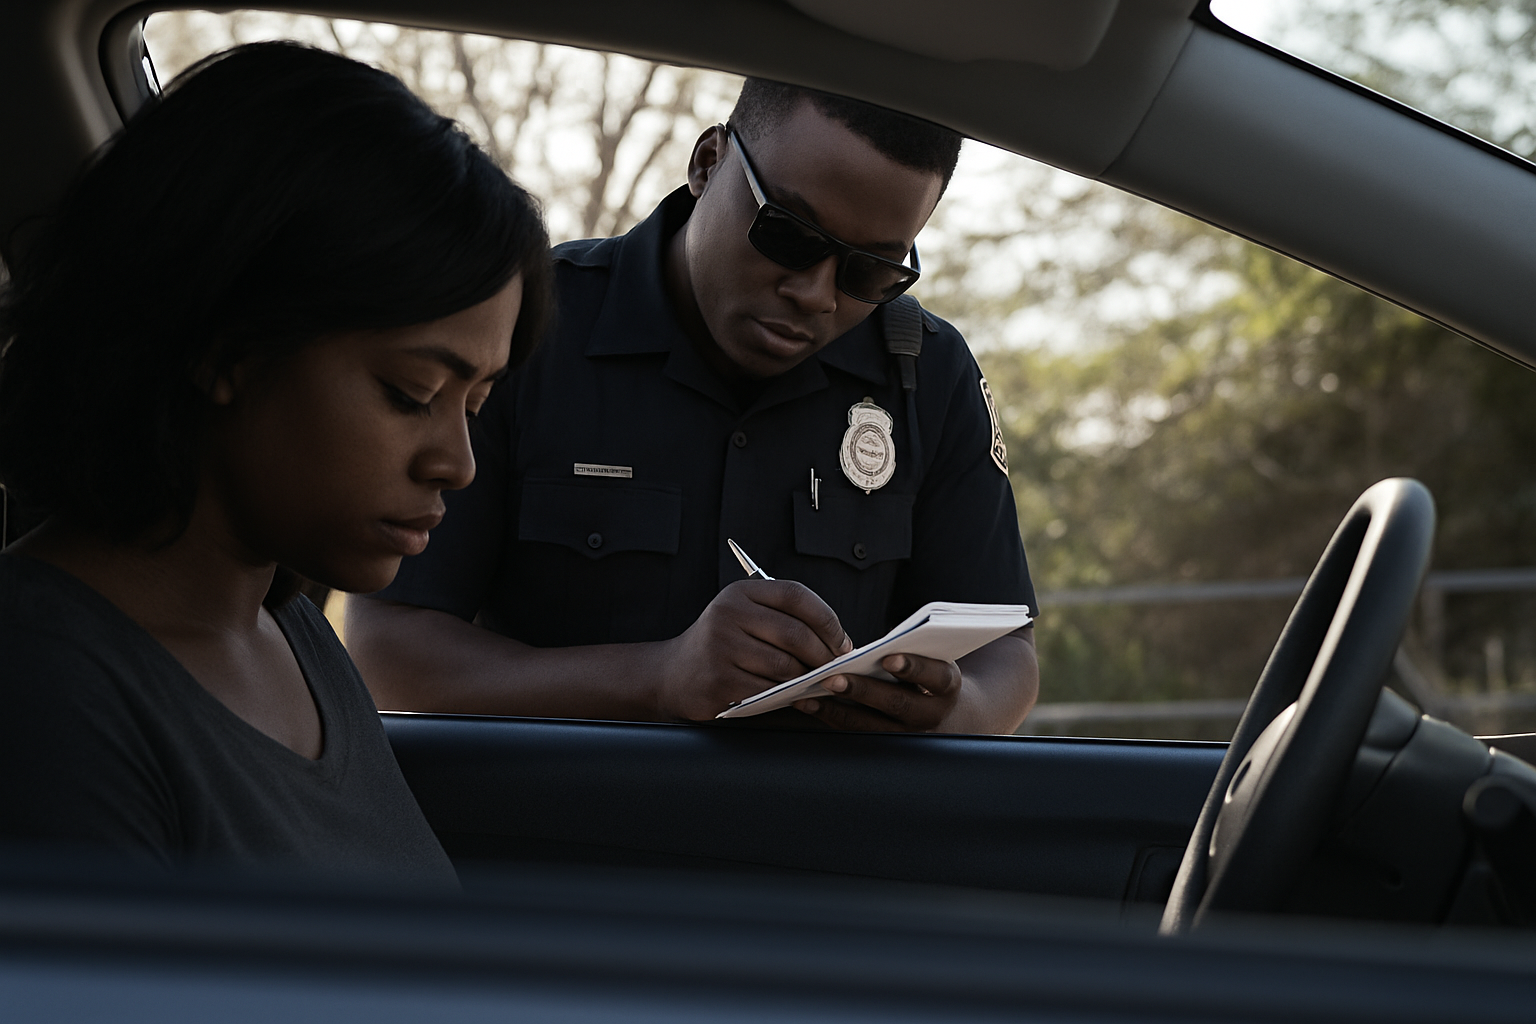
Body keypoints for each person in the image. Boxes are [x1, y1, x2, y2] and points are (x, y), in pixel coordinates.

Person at [0, 42, 549, 881]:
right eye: (411, 392)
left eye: (475, 405)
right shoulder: (44, 693)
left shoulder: (283, 620)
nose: (458, 463)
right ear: (226, 349)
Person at [349, 79, 1037, 734]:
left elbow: (1005, 656)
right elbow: (390, 652)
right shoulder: (527, 328)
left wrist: (955, 711)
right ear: (708, 163)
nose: (819, 295)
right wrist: (656, 676)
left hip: (824, 844)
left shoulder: (928, 373)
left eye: (872, 270)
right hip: (564, 840)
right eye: (789, 234)